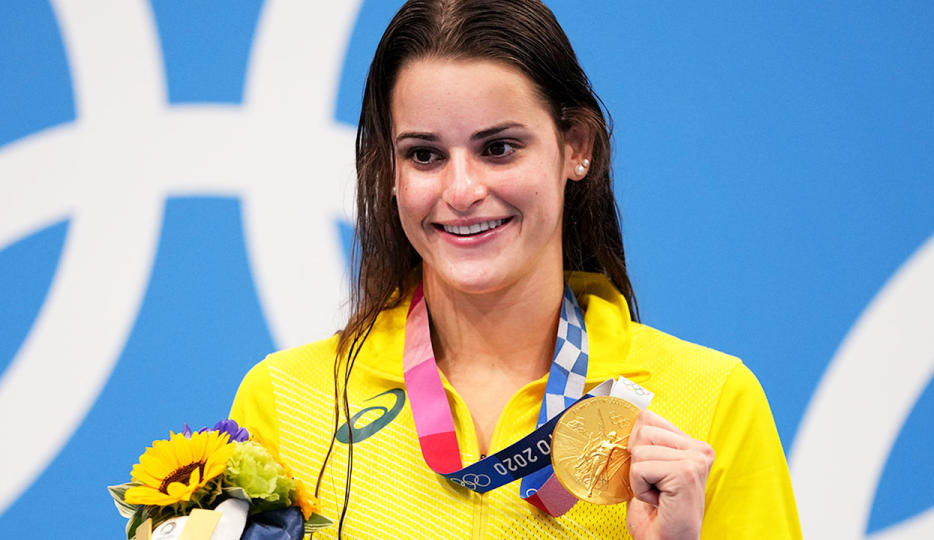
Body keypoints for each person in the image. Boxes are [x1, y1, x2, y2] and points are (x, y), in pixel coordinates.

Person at [230, 0, 802, 538]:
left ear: (577, 146)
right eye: (424, 155)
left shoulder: (712, 399)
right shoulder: (286, 402)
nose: (461, 190)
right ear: (391, 170)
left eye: (498, 148)